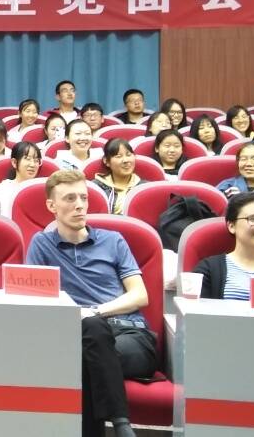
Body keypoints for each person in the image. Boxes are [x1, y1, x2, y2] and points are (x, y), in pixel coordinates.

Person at [26, 169, 152, 437]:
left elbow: (140, 295)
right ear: (51, 206)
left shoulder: (113, 240)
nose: (79, 205)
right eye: (69, 198)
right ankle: (121, 424)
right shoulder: (41, 244)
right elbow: (35, 301)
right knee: (89, 345)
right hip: (77, 336)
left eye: (83, 197)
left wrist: (93, 312)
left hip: (130, 334)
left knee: (85, 355)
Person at [92, 138, 143, 215]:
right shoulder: (95, 188)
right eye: (119, 156)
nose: (125, 160)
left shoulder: (144, 188)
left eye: (128, 155)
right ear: (106, 161)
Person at [0, 141, 41, 216]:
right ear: (14, 162)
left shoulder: (43, 190)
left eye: (36, 160)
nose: (32, 164)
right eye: (27, 159)